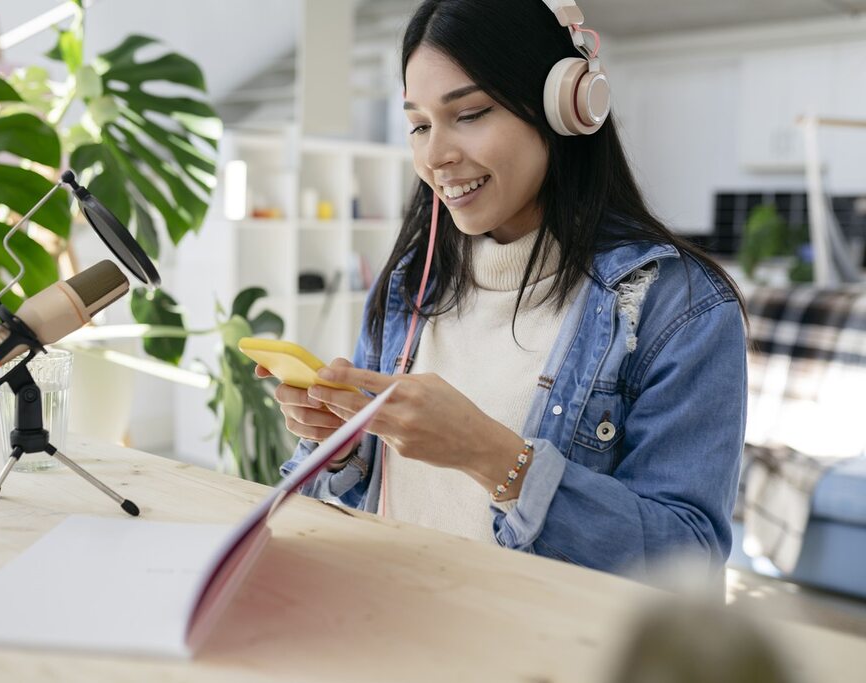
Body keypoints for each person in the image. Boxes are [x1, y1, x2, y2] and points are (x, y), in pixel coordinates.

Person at [256, 0, 747, 582]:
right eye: (419, 124)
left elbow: (686, 563)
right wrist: (343, 446)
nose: (435, 155)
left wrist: (490, 456)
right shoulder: (412, 284)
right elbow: (378, 492)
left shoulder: (680, 307)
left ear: (567, 109)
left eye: (469, 114)